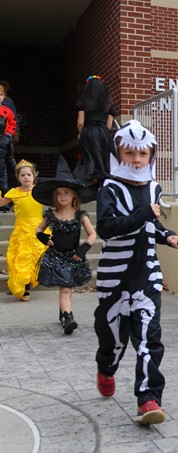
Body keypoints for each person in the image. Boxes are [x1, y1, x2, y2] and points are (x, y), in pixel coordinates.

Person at [94, 119, 178, 425]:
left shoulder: (154, 188)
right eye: (129, 153)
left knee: (149, 340)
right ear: (118, 154)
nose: (135, 160)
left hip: (147, 278)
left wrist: (167, 234)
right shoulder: (110, 188)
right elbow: (107, 228)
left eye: (142, 154)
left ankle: (149, 399)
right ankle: (106, 368)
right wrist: (146, 214)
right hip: (115, 279)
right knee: (114, 342)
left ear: (150, 157)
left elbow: (151, 225)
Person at [32, 155, 96, 335]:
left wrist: (84, 248)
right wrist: (44, 239)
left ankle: (63, 312)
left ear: (74, 194)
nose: (62, 196)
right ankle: (68, 318)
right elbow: (37, 230)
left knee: (68, 287)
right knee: (65, 288)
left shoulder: (80, 215)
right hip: (55, 257)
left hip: (74, 256)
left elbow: (92, 234)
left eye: (66, 193)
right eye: (59, 193)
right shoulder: (51, 215)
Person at [0, 159, 49, 301]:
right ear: (18, 177)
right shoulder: (14, 192)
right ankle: (25, 287)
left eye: (29, 174)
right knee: (23, 259)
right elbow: (2, 202)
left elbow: (54, 200)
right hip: (21, 231)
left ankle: (31, 281)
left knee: (35, 259)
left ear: (34, 176)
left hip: (39, 230)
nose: (26, 177)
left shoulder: (40, 190)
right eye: (23, 175)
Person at [73, 74, 117, 190]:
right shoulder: (108, 104)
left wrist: (80, 133)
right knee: (103, 158)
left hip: (89, 132)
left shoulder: (83, 102)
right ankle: (102, 183)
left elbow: (81, 122)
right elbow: (109, 125)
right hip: (103, 133)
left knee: (89, 158)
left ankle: (87, 182)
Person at [0, 80, 20, 189]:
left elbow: (13, 119)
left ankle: (18, 184)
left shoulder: (8, 102)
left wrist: (13, 133)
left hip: (5, 138)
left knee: (9, 162)